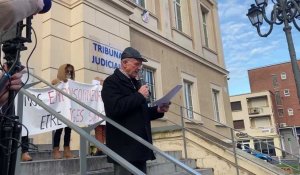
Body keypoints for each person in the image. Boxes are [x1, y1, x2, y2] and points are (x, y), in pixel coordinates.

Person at [101, 47, 170, 174]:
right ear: (124, 63)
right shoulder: (111, 82)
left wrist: (158, 110)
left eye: (141, 65)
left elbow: (141, 113)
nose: (139, 68)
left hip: (140, 146)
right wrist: (139, 96)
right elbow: (114, 109)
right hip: (124, 149)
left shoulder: (136, 83)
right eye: (137, 64)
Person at [51, 64, 76, 159]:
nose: (69, 73)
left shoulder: (72, 83)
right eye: (67, 71)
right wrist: (59, 82)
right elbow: (52, 86)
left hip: (69, 110)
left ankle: (67, 150)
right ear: (62, 72)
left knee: (68, 131)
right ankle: (56, 150)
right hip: (60, 111)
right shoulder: (57, 82)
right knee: (58, 130)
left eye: (70, 72)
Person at [92, 77, 106, 156]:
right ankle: (99, 149)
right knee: (99, 131)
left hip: (103, 113)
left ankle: (101, 149)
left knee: (103, 131)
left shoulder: (105, 89)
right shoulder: (94, 89)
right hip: (97, 113)